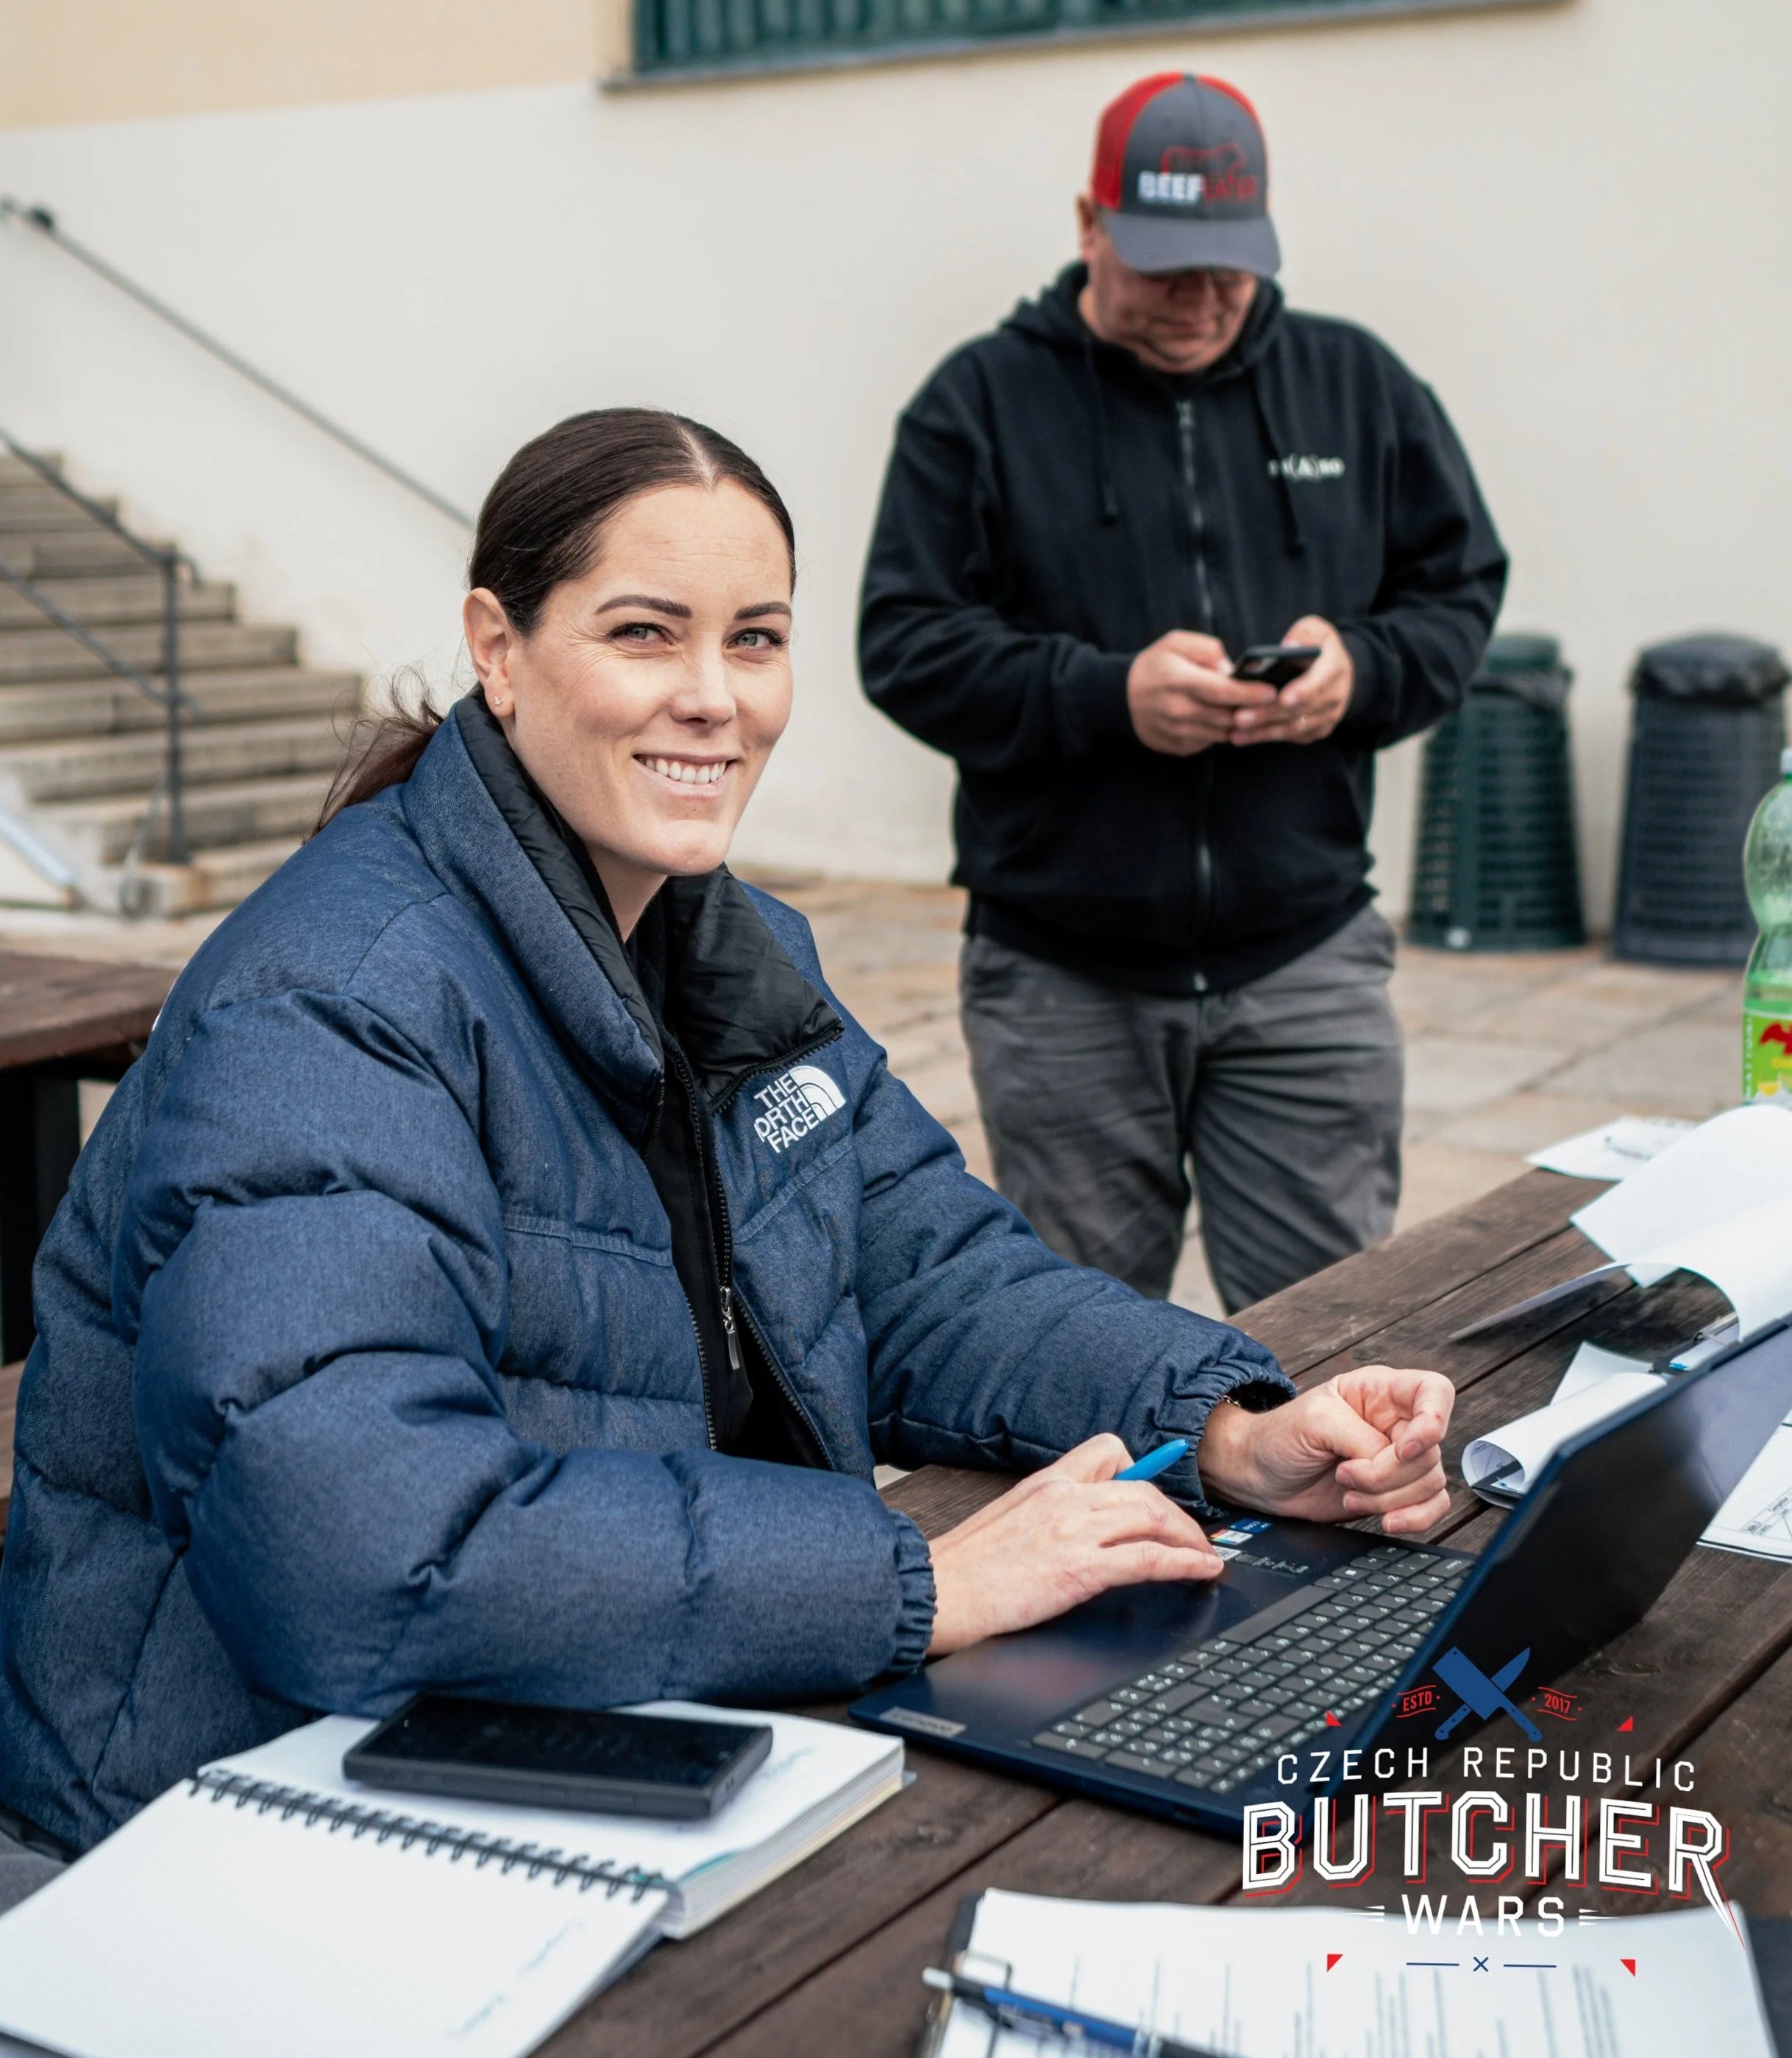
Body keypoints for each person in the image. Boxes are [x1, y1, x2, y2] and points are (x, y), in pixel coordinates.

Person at [0, 409, 1454, 1867]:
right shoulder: (333, 1003)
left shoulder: (728, 946)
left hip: (605, 1716)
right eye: (645, 634)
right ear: (496, 650)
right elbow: (361, 1542)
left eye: (756, 640)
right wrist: (917, 1585)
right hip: (237, 1811)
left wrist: (1223, 1427)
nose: (714, 698)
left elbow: (926, 1271)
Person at [858, 73, 1508, 1313]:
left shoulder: (1357, 386)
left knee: (1328, 1345)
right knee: (1086, 1361)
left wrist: (1359, 673)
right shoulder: (977, 405)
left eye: (1230, 269)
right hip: (1063, 983)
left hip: (1305, 962)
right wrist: (1110, 699)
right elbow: (904, 643)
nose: (1203, 301)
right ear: (1090, 224)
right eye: (1167, 269)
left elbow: (1459, 589)